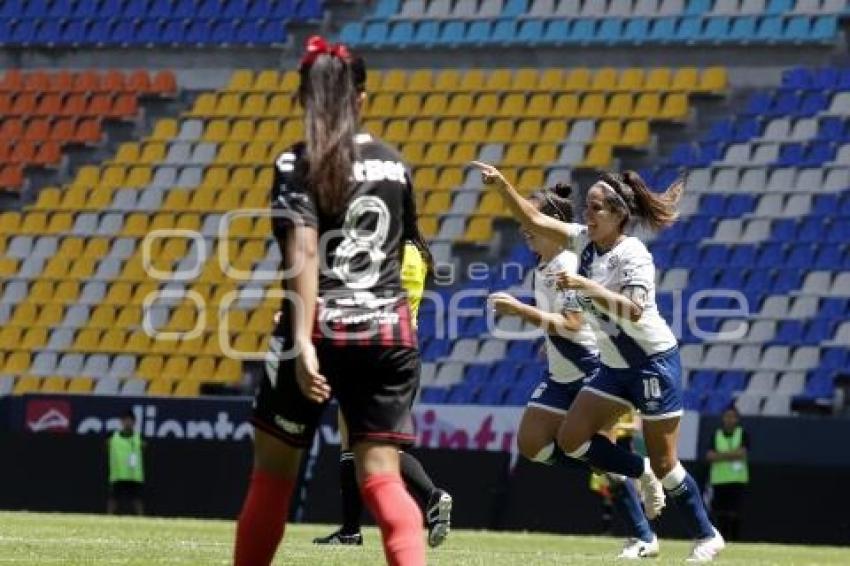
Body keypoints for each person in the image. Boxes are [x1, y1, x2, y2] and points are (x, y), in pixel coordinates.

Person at [233, 36, 426, 566]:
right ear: (361, 99)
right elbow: (407, 253)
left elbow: (304, 251)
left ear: (303, 98)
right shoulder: (394, 164)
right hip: (387, 333)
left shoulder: (298, 162)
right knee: (383, 478)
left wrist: (301, 339)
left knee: (271, 476)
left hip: (317, 331)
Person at [472, 161, 724, 562]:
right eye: (586, 207)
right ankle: (635, 473)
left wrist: (585, 286)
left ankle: (706, 534)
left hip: (653, 362)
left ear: (619, 214)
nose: (587, 215)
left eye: (595, 208)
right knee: (572, 441)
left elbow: (635, 311)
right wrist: (502, 186)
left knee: (665, 463)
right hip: (614, 367)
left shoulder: (633, 254)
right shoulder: (581, 242)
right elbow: (533, 216)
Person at [488, 183, 659, 559]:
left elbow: (569, 323)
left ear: (552, 222)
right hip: (560, 373)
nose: (524, 228)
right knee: (531, 443)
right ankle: (620, 467)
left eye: (530, 220)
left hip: (588, 368)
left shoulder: (569, 263)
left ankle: (644, 532)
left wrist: (521, 311)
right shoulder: (543, 265)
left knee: (598, 453)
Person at [314, 237, 453, 548]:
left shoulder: (381, 251)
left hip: (372, 350)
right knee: (368, 444)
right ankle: (351, 530)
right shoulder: (417, 253)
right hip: (405, 355)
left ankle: (428, 495)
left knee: (360, 445)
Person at [707, 406, 749, 541]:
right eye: (727, 416)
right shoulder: (716, 434)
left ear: (737, 419)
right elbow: (709, 456)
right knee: (720, 513)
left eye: (732, 416)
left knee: (735, 512)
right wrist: (732, 455)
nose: (729, 419)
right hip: (719, 480)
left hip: (737, 480)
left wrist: (720, 455)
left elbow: (742, 453)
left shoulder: (742, 433)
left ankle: (736, 540)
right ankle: (721, 539)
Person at [107, 411, 145, 516]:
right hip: (118, 473)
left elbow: (145, 447)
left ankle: (141, 519)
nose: (127, 422)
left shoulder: (139, 437)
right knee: (113, 499)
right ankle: (109, 518)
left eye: (130, 420)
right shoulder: (112, 437)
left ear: (134, 422)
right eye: (125, 420)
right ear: (121, 422)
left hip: (134, 475)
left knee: (137, 499)